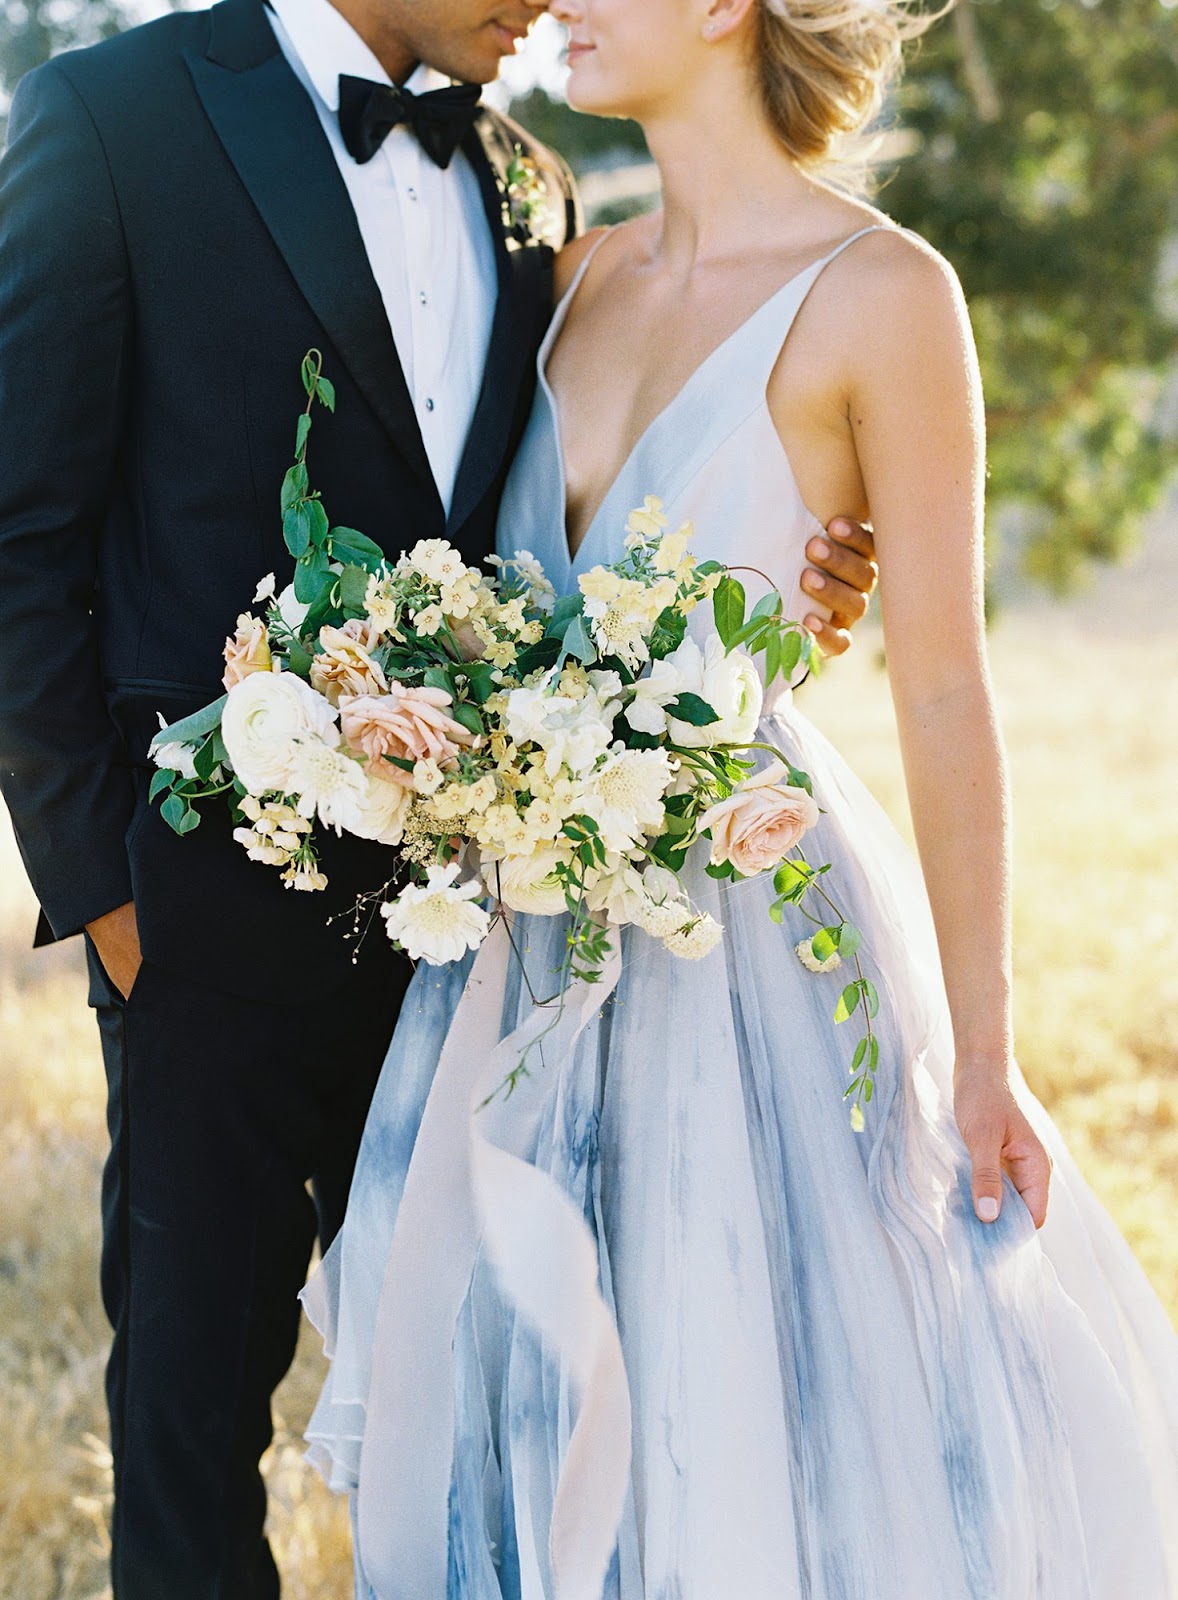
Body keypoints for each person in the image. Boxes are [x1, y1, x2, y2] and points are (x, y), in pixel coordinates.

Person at [0, 0, 879, 1592]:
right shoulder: (114, 118)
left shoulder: (533, 188)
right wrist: (109, 895)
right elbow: (18, 533)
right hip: (203, 920)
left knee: (499, 1428)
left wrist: (790, 563)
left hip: (495, 946)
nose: (550, 0)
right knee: (191, 1441)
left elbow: (578, 518)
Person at [302, 0, 1178, 1595]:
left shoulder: (885, 296)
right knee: (533, 1394)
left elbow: (941, 688)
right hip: (521, 933)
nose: (559, 5)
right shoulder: (569, 274)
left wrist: (987, 1052)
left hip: (747, 926)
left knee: (737, 1384)